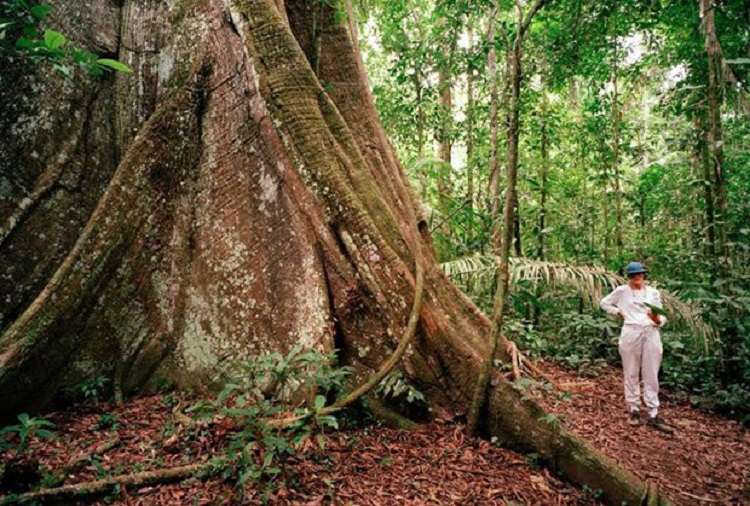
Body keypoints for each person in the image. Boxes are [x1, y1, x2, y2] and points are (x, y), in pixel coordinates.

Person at [600, 261, 674, 433]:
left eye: (639, 274)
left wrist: (656, 319)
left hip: (650, 332)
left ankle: (653, 412)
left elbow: (661, 317)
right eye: (633, 275)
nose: (637, 277)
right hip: (631, 331)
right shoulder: (622, 291)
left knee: (651, 373)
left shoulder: (653, 293)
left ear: (644, 275)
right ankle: (633, 409)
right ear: (628, 277)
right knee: (631, 371)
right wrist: (618, 312)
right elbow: (604, 303)